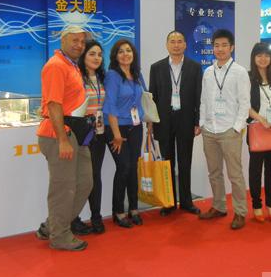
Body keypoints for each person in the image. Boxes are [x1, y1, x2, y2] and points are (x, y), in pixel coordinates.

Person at [36, 25, 93, 251]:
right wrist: (62, 140)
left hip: (76, 133)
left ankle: (52, 226)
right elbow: (53, 104)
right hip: (60, 134)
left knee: (85, 183)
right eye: (74, 40)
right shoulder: (56, 66)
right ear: (62, 41)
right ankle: (60, 236)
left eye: (82, 41)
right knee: (63, 188)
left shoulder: (72, 65)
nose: (79, 45)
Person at [199, 29, 250, 230]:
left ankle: (240, 212)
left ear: (232, 47)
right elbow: (204, 100)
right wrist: (202, 123)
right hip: (210, 130)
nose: (220, 49)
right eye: (216, 45)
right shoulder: (207, 72)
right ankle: (219, 206)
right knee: (214, 172)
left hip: (230, 130)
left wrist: (237, 127)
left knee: (235, 174)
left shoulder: (239, 71)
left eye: (224, 45)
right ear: (212, 48)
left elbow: (244, 103)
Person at [149, 30, 202, 216]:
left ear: (185, 45)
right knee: (167, 162)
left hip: (186, 120)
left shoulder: (195, 67)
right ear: (167, 45)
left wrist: (197, 121)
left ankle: (186, 201)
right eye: (172, 41)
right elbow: (153, 97)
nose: (176, 45)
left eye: (180, 41)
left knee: (185, 162)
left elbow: (198, 96)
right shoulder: (156, 68)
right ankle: (169, 202)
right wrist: (152, 122)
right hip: (164, 120)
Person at [103, 39, 144, 228]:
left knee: (133, 168)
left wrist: (147, 122)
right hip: (116, 128)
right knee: (124, 167)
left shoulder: (137, 74)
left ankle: (133, 208)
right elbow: (110, 105)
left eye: (128, 50)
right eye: (121, 51)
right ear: (115, 56)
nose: (125, 54)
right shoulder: (113, 75)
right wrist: (116, 134)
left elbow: (144, 99)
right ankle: (118, 211)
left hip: (136, 126)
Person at [70, 40, 108, 234]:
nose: (96, 58)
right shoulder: (76, 77)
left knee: (95, 176)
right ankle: (73, 219)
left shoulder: (102, 77)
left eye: (99, 54)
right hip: (81, 134)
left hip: (99, 133)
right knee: (79, 178)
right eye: (92, 54)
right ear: (83, 56)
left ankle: (96, 216)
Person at [246, 43, 271, 222]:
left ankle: (270, 205)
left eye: (266, 55)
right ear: (254, 58)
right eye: (259, 55)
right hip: (257, 128)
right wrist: (260, 118)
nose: (263, 59)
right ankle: (256, 205)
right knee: (255, 171)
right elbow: (244, 104)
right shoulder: (248, 78)